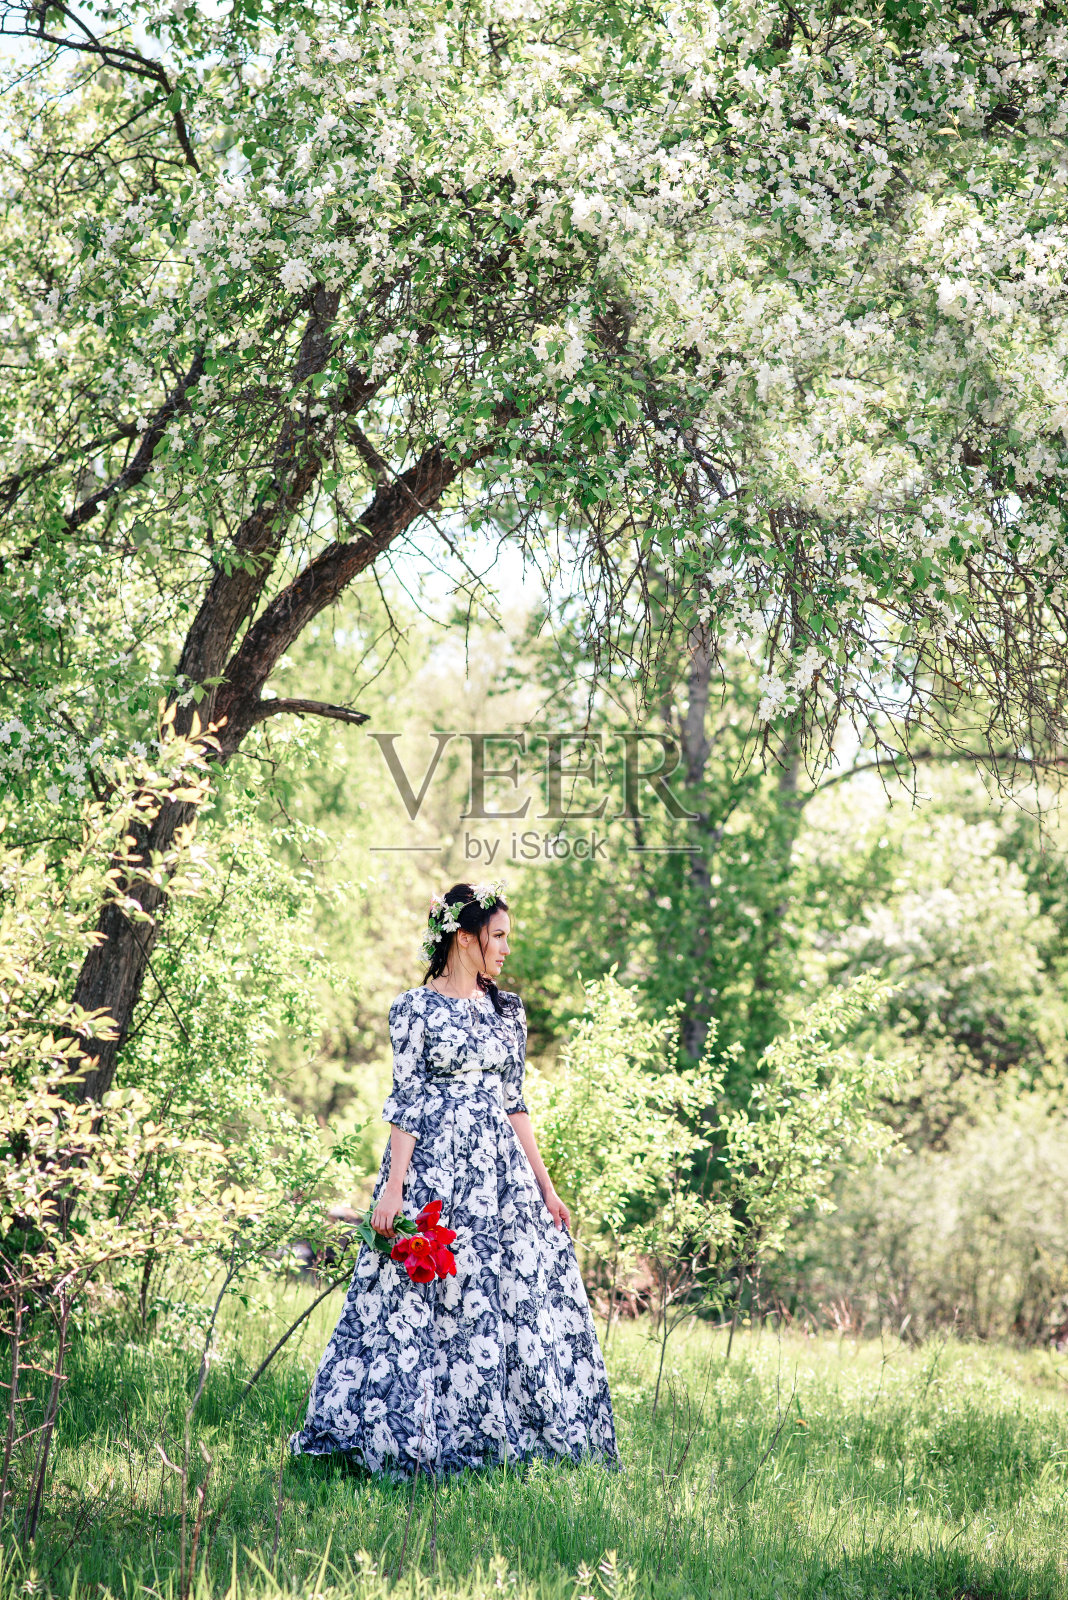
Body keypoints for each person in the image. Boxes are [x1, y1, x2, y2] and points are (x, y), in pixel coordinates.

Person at [290, 881, 619, 1479]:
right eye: (497, 937)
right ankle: (410, 1434)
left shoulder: (506, 1011)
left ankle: (506, 1435)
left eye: (506, 939)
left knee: (509, 1297)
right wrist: (393, 1190)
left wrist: (546, 1188)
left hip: (502, 1178)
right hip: (436, 1170)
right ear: (464, 939)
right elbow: (407, 1099)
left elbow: (514, 1102)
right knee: (429, 1297)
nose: (504, 949)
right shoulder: (415, 1010)